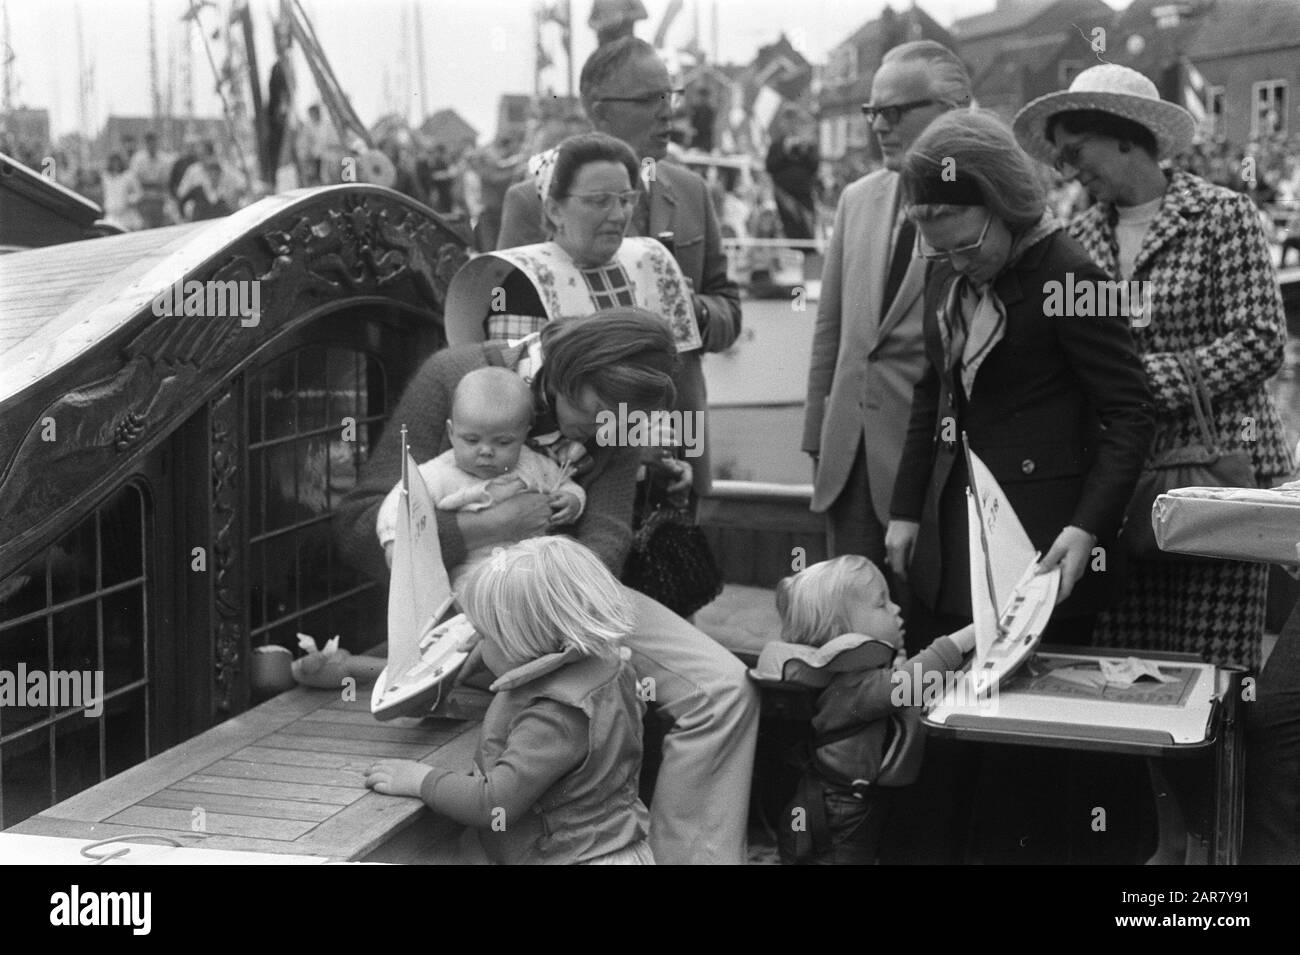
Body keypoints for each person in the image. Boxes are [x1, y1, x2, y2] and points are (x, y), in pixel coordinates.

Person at [335, 310, 759, 865]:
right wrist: (487, 527)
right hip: (465, 606)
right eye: (595, 415)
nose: (606, 433)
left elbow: (607, 532)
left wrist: (552, 605)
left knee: (726, 690)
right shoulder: (455, 378)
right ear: (562, 375)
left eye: (622, 425)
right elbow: (360, 527)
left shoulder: (618, 404)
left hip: (568, 599)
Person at [884, 110, 1155, 864]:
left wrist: (1086, 530)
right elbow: (930, 394)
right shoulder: (946, 268)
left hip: (1044, 552)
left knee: (1023, 766)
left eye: (968, 243)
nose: (956, 261)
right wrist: (906, 508)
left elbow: (1131, 415)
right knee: (955, 745)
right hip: (961, 534)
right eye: (940, 247)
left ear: (1006, 203)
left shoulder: (1073, 276)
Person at [1014, 64, 1292, 674]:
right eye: (1058, 159)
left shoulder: (1224, 215)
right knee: (1129, 675)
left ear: (1123, 134)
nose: (1066, 170)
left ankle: (1216, 772)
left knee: (1216, 673)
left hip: (1220, 480)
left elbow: (1261, 341)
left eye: (1074, 151)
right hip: (1123, 487)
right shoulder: (1076, 240)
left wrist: (1134, 386)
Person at [497, 37, 742, 499]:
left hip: (677, 441)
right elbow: (507, 345)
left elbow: (729, 309)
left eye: (671, 96)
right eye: (650, 99)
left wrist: (694, 312)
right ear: (599, 111)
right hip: (579, 460)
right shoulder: (530, 201)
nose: (668, 113)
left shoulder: (691, 192)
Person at [365, 536, 654, 865]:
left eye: (486, 635)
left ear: (522, 643)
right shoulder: (607, 668)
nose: (479, 644)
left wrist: (421, 780)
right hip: (615, 845)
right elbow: (533, 676)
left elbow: (494, 804)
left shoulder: (554, 717)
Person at [445, 132, 701, 498]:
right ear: (553, 210)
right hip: (561, 500)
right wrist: (628, 451)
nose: (618, 215)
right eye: (598, 201)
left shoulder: (652, 263)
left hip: (646, 496)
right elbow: (511, 422)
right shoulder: (523, 281)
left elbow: (671, 388)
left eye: (626, 199)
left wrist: (675, 458)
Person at [803, 40, 970, 577]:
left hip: (928, 469)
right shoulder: (858, 199)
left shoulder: (982, 209)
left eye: (894, 112)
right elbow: (831, 331)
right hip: (847, 462)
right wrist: (815, 434)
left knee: (923, 641)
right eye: (872, 111)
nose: (878, 126)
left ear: (950, 112)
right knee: (848, 637)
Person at [754, 555, 976, 865]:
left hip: (849, 802)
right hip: (844, 811)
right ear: (842, 630)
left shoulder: (851, 677)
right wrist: (971, 635)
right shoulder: (852, 685)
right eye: (882, 603)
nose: (896, 608)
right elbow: (908, 685)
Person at [373, 367, 585, 587]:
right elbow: (401, 501)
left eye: (503, 442)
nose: (486, 451)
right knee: (473, 590)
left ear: (524, 435)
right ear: (451, 433)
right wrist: (394, 540)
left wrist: (573, 500)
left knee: (558, 577)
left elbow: (564, 483)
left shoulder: (533, 464)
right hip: (474, 570)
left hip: (532, 565)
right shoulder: (440, 473)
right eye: (472, 440)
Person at [129, 132, 172, 229]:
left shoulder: (165, 159)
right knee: (146, 228)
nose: (151, 145)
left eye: (154, 142)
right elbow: (134, 180)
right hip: (143, 199)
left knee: (160, 227)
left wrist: (150, 183)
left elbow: (165, 180)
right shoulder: (138, 158)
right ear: (145, 143)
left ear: (157, 143)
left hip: (159, 198)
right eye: (149, 143)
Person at [99, 153, 143, 232]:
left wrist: (130, 200)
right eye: (113, 162)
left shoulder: (128, 175)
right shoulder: (105, 177)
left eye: (117, 162)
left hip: (127, 214)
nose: (115, 165)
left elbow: (139, 193)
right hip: (111, 214)